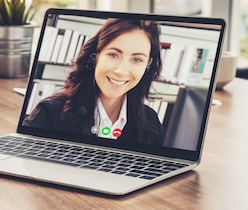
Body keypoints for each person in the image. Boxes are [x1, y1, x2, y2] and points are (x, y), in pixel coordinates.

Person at [23, 18, 165, 145]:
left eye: (137, 59)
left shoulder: (150, 123)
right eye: (113, 55)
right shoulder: (50, 113)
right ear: (95, 56)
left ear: (148, 65)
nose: (121, 71)